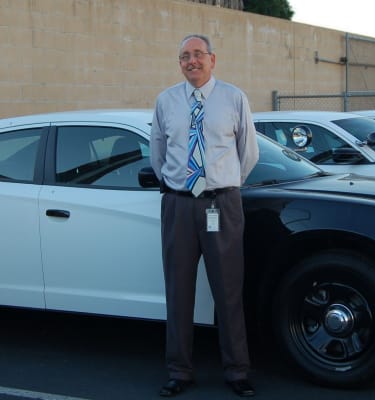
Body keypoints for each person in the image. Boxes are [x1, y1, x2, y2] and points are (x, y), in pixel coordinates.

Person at [149, 33, 259, 398]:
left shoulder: (234, 98)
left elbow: (248, 153)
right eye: (184, 56)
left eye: (198, 54)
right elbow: (158, 153)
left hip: (221, 205)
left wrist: (221, 184)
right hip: (178, 205)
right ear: (179, 63)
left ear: (213, 59)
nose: (191, 61)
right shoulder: (166, 101)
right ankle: (179, 370)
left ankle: (237, 370)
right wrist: (179, 185)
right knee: (178, 291)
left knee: (228, 291)